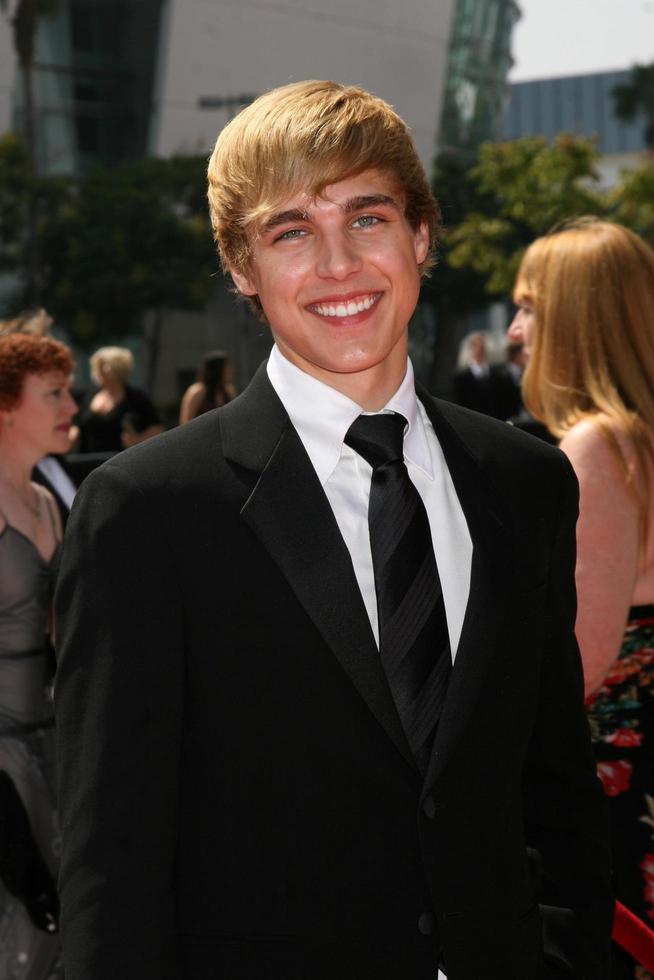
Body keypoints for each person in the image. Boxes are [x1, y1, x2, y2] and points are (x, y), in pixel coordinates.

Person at [54, 81, 612, 980]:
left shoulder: (526, 482)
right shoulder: (148, 510)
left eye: (366, 217)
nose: (339, 263)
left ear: (420, 235)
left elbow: (553, 787)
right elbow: (111, 860)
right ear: (242, 269)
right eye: (290, 233)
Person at [509, 217, 654, 979]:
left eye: (530, 306)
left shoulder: (600, 449)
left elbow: (578, 668)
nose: (514, 331)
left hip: (618, 811)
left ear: (576, 316)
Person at [0, 332, 77, 979]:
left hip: (53, 746)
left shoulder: (49, 502)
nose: (71, 407)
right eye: (53, 394)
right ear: (5, 408)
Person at [76, 345, 163, 452]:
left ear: (118, 369)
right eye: (97, 365)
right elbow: (79, 425)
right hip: (88, 461)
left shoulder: (136, 398)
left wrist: (138, 440)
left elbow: (157, 428)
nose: (99, 370)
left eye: (103, 365)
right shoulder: (89, 396)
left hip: (120, 460)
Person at [451, 331, 516, 420]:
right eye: (478, 347)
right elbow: (458, 403)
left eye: (484, 347)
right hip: (471, 421)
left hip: (494, 421)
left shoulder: (497, 375)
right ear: (471, 349)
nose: (482, 350)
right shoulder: (461, 377)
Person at [179, 349, 237, 424]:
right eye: (226, 367)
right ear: (216, 370)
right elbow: (185, 422)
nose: (230, 370)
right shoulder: (197, 391)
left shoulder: (229, 390)